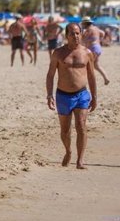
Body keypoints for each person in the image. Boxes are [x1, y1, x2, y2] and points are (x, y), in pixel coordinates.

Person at [46, 22, 97, 169]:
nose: (75, 36)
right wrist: (49, 95)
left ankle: (80, 160)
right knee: (65, 130)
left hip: (82, 94)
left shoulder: (87, 53)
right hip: (63, 95)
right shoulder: (58, 53)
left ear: (81, 34)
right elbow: (50, 75)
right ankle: (68, 151)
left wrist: (94, 97)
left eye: (77, 33)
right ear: (66, 35)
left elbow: (92, 76)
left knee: (81, 126)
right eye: (72, 33)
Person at [81, 17, 109, 85]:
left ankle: (90, 81)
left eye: (83, 24)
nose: (82, 25)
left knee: (89, 65)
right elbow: (102, 33)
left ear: (85, 23)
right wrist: (99, 39)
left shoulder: (88, 30)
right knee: (96, 65)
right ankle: (106, 78)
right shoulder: (96, 28)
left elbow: (83, 39)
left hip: (93, 48)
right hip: (98, 47)